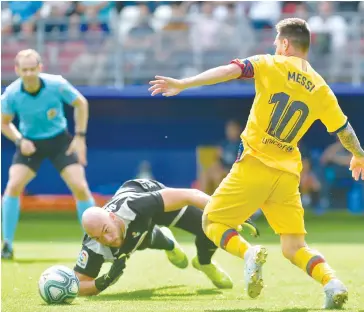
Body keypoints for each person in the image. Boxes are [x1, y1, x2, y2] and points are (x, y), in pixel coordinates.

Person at [148, 18, 364, 309]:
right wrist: (359, 155)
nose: (275, 46)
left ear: (285, 44)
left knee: (212, 221)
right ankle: (332, 282)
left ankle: (248, 254)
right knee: (294, 247)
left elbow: (228, 71)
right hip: (287, 175)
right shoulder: (321, 87)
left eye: (277, 42)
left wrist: (184, 83)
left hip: (254, 164)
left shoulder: (270, 63)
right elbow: (345, 131)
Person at [73, 178, 259, 296]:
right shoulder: (93, 245)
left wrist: (230, 214)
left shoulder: (138, 205)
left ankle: (204, 262)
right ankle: (166, 241)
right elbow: (78, 285)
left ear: (112, 217)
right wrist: (102, 282)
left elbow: (191, 195)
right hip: (139, 230)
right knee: (143, 239)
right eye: (98, 238)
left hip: (145, 193)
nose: (107, 239)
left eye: (106, 230)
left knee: (208, 223)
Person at [1, 49, 95, 260]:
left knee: (80, 187)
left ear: (40, 68)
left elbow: (81, 103)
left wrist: (79, 137)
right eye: (24, 70)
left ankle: (94, 242)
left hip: (60, 141)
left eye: (32, 69)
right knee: (13, 186)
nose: (28, 74)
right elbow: (4, 123)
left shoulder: (56, 84)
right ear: (17, 70)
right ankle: (6, 244)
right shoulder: (11, 94)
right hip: (30, 144)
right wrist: (19, 140)